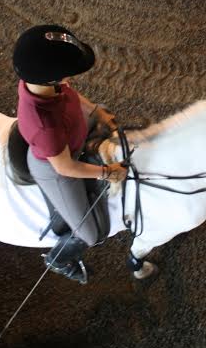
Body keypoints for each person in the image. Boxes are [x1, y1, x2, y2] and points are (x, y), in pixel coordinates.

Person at [13, 24, 127, 284]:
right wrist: (108, 172)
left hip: (72, 130)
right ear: (52, 79)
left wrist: (96, 111)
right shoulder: (46, 127)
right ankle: (60, 259)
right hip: (56, 167)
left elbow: (69, 93)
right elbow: (66, 168)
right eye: (66, 74)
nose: (70, 79)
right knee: (90, 234)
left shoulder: (42, 82)